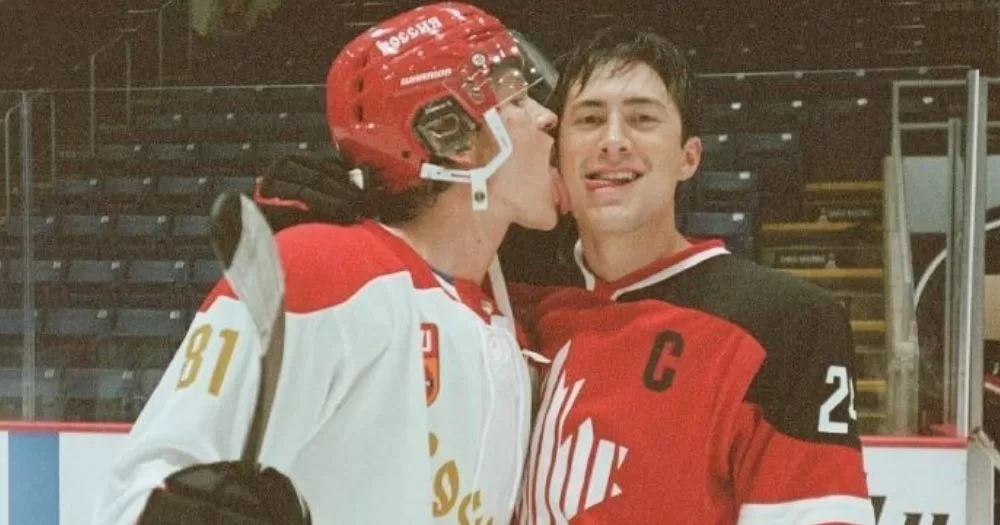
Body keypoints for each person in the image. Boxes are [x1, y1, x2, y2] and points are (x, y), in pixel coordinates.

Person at [252, 26, 876, 525]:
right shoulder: (507, 305)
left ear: (690, 158)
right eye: (588, 119)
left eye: (643, 118)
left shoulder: (784, 322)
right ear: (555, 152)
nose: (613, 141)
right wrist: (345, 208)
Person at [90, 3, 563, 524]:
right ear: (450, 135)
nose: (547, 115)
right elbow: (147, 483)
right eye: (516, 99)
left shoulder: (505, 318)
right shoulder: (321, 271)